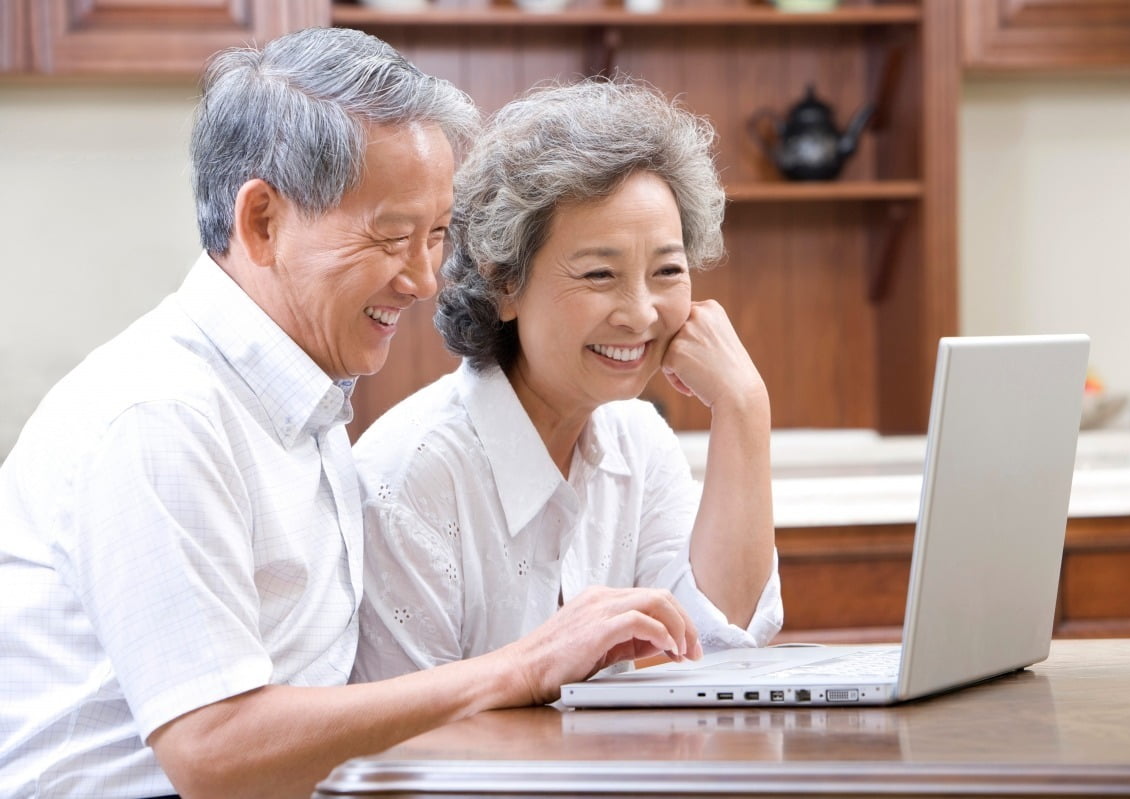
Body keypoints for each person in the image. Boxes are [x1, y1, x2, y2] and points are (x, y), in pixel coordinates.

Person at [0, 30, 701, 799]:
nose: (426, 279)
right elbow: (214, 754)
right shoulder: (162, 415)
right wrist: (520, 665)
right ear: (263, 221)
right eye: (394, 237)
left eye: (436, 238)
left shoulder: (299, 401)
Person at [352, 79, 783, 684]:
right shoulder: (411, 476)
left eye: (667, 270)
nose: (639, 313)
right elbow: (406, 736)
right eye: (600, 274)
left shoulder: (639, 440)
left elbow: (724, 639)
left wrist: (743, 405)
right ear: (504, 284)